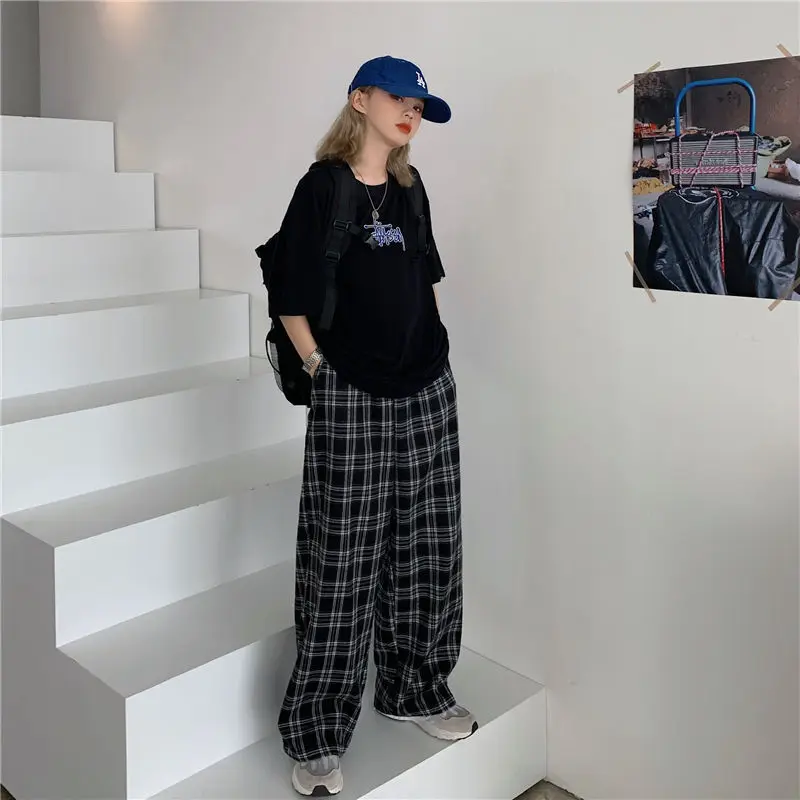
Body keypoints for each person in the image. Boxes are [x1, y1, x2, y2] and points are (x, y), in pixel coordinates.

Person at [271, 55, 476, 797]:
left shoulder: (411, 191)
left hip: (427, 387)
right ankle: (318, 730)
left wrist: (435, 353)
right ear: (360, 100)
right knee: (342, 559)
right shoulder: (322, 188)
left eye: (420, 106)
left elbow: (424, 282)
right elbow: (287, 294)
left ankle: (413, 689)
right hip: (352, 393)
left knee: (428, 548)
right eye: (400, 99)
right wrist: (320, 368)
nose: (411, 114)